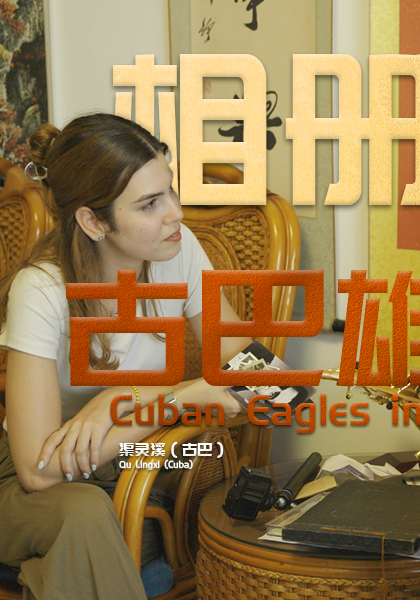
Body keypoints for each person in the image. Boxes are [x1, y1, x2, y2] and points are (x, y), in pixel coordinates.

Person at [0, 113, 252, 600]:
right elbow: (37, 470)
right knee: (87, 518)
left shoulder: (178, 249)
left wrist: (130, 397)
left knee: (113, 530)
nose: (176, 213)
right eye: (150, 203)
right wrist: (173, 398)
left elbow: (266, 381)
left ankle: (58, 572)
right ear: (93, 222)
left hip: (139, 461)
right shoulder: (42, 289)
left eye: (170, 189)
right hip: (38, 482)